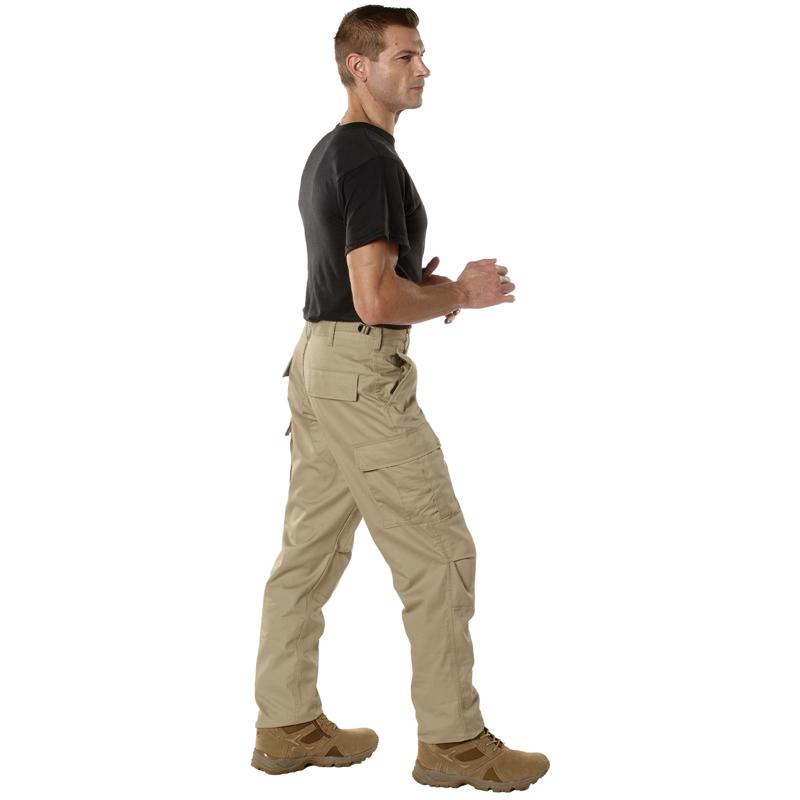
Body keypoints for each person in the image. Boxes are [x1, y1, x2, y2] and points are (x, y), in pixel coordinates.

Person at [251, 5, 549, 792]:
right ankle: (454, 743)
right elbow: (375, 301)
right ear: (360, 66)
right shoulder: (368, 158)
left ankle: (285, 723)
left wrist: (422, 287)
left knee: (308, 554)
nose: (423, 69)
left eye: (421, 55)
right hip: (359, 377)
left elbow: (365, 287)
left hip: (319, 364)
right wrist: (459, 293)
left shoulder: (335, 151)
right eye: (406, 56)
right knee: (440, 555)